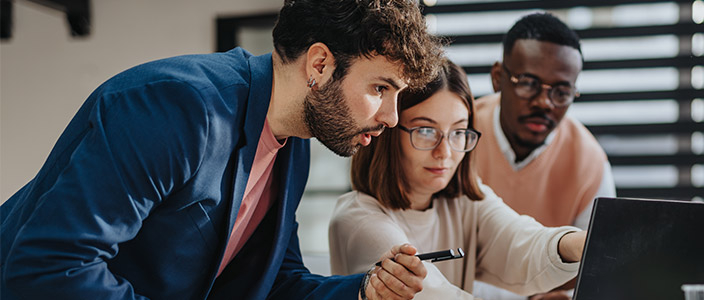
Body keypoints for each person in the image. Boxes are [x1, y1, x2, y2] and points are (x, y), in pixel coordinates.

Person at [0, 0, 445, 299]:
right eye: (381, 88)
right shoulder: (180, 108)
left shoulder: (294, 146)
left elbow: (276, 283)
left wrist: (365, 290)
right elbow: (52, 268)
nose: (391, 116)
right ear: (320, 65)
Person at [328, 59, 587, 300]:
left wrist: (581, 243)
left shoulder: (464, 203)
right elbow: (432, 294)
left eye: (459, 132)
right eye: (427, 131)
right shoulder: (358, 219)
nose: (445, 152)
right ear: (389, 132)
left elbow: (521, 241)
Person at [470, 13, 616, 300]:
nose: (543, 103)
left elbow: (600, 268)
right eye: (527, 83)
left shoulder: (589, 160)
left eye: (561, 92)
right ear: (498, 78)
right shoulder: (456, 137)